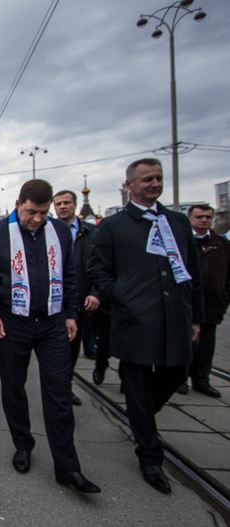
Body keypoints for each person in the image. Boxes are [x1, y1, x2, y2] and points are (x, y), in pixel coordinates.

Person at [0, 179, 100, 494]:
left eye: (43, 212)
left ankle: (68, 467)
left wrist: (71, 313)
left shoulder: (59, 232)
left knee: (59, 392)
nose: (37, 219)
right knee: (14, 387)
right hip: (12, 322)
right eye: (31, 212)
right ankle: (23, 444)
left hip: (53, 322)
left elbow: (70, 275)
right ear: (19, 204)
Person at [88, 158, 203, 494]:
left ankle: (142, 417)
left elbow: (192, 272)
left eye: (158, 178)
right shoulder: (113, 226)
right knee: (136, 385)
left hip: (175, 316)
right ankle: (150, 455)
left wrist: (195, 315)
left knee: (177, 373)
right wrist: (121, 295)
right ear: (129, 185)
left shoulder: (177, 222)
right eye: (147, 179)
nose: (154, 184)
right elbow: (98, 270)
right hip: (135, 319)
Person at [53, 190, 100, 406]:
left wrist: (95, 292)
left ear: (75, 204)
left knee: (72, 346)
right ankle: (58, 389)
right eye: (58, 204)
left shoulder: (92, 232)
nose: (62, 207)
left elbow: (101, 265)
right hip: (53, 301)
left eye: (66, 203)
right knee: (56, 350)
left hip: (80, 300)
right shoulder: (47, 230)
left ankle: (65, 387)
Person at [182, 204, 229, 398]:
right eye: (199, 217)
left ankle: (201, 379)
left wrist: (224, 295)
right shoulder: (181, 241)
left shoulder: (222, 244)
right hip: (186, 302)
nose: (204, 220)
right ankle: (180, 378)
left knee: (206, 344)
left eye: (208, 217)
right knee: (184, 341)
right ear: (190, 219)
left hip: (212, 302)